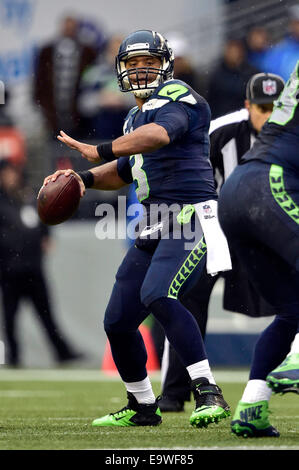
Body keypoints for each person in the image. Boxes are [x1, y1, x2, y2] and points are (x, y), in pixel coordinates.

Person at [44, 30, 232, 429]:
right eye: (131, 63)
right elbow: (128, 170)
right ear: (120, 69)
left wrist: (104, 147)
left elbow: (160, 135)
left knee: (159, 294)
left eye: (147, 61)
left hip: (189, 216)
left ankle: (207, 390)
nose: (140, 69)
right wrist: (83, 179)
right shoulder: (135, 114)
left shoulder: (178, 96)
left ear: (165, 63)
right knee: (117, 320)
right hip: (154, 221)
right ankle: (142, 405)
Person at [158, 72, 286, 413]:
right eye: (262, 107)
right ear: (248, 106)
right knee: (187, 295)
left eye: (276, 107)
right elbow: (185, 171)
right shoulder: (221, 131)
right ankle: (174, 391)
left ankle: (275, 379)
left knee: (292, 304)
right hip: (216, 227)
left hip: (272, 233)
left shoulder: (293, 134)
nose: (269, 115)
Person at [218, 60, 299, 438]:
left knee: (290, 312)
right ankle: (297, 360)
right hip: (270, 183)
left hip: (236, 192)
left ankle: (252, 405)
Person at [0, 160, 82, 366]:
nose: (11, 177)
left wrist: (46, 235)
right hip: (10, 270)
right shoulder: (2, 202)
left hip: (33, 266)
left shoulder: (28, 196)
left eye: (12, 172)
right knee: (10, 317)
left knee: (46, 314)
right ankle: (13, 357)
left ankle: (62, 353)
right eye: (6, 173)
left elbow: (43, 216)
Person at [33, 15, 97, 138]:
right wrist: (39, 101)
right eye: (67, 26)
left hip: (78, 110)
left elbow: (91, 78)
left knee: (76, 142)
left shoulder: (87, 51)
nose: (69, 30)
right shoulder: (47, 51)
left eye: (72, 27)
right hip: (52, 109)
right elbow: (40, 79)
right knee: (54, 142)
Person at [206, 38, 259, 119]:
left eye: (236, 52)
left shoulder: (251, 74)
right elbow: (211, 100)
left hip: (244, 118)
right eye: (231, 52)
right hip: (222, 118)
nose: (234, 55)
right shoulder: (217, 75)